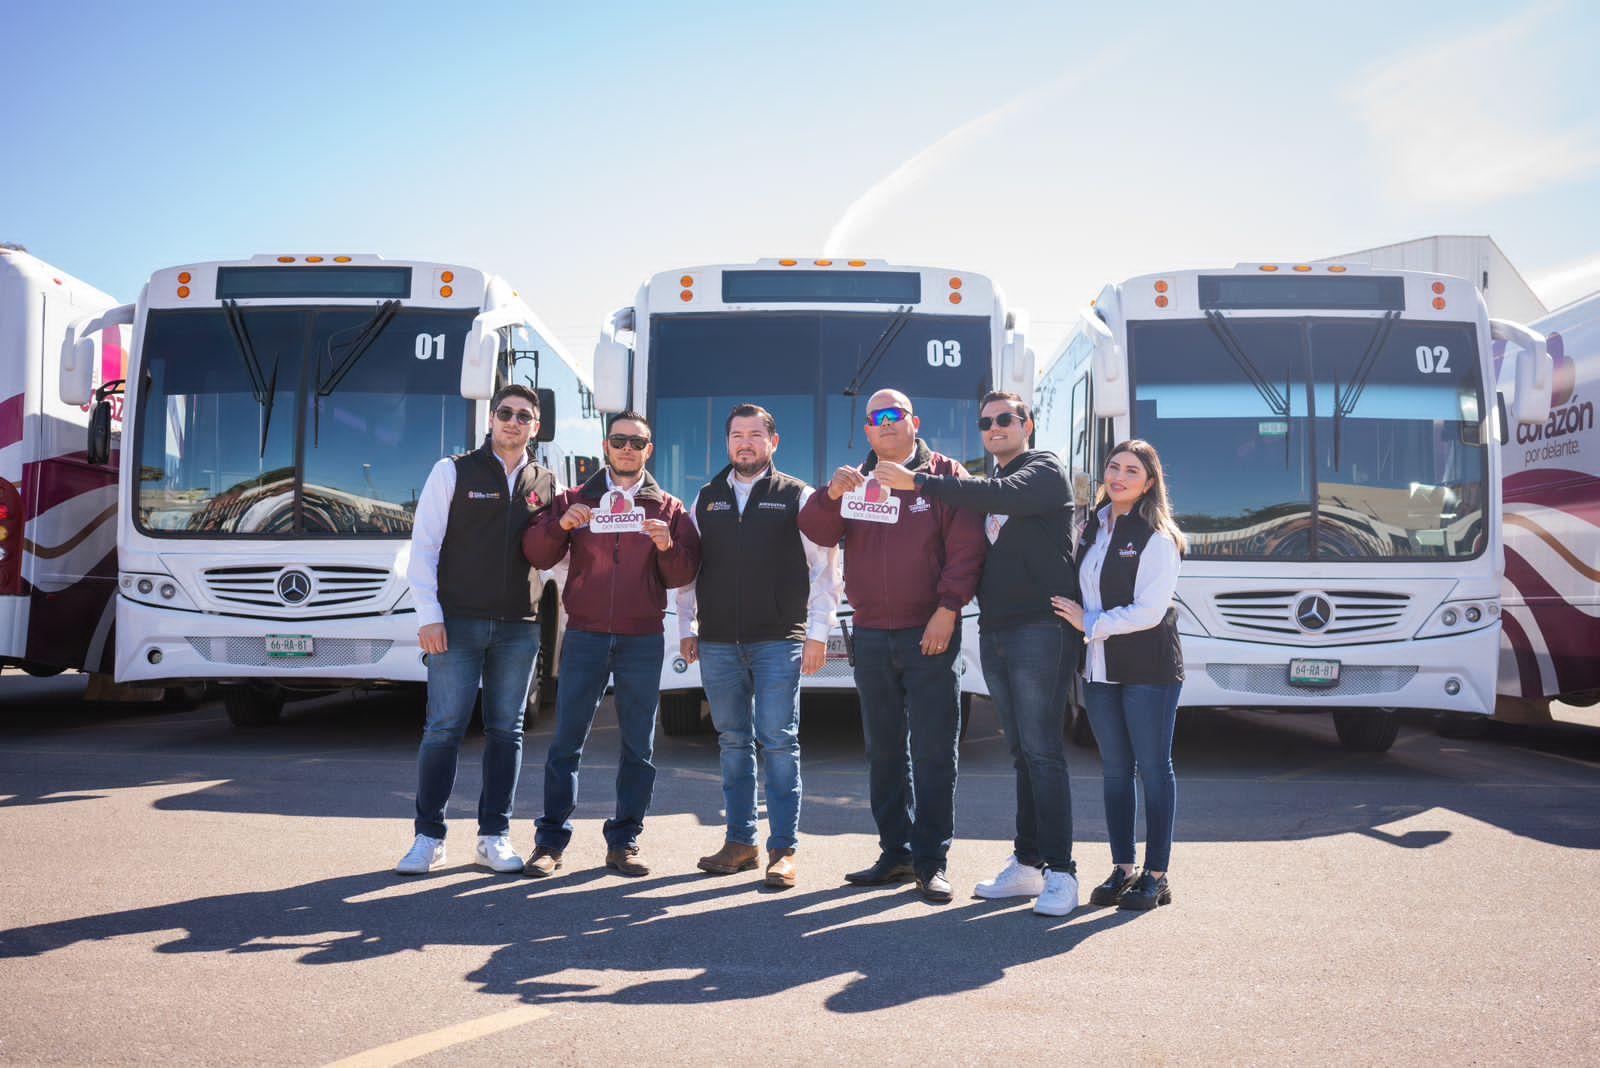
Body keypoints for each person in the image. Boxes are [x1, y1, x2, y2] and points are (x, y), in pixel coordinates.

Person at [875, 390, 1082, 916]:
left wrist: (919, 481)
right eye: (986, 421)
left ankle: (1063, 872)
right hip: (997, 630)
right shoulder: (984, 484)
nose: (995, 427)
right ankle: (1029, 865)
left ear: (1027, 424)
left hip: (1042, 629)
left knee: (1044, 753)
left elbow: (1000, 494)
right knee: (1022, 754)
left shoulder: (1045, 469)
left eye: (1006, 419)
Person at [798, 388, 985, 903]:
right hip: (873, 634)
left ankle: (932, 860)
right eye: (874, 418)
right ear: (867, 431)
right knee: (883, 751)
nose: (884, 424)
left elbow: (967, 551)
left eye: (893, 415)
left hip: (930, 632)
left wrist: (948, 610)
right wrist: (830, 495)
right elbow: (815, 528)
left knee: (932, 751)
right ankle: (895, 853)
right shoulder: (855, 481)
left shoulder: (946, 477)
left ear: (914, 422)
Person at [521, 411, 700, 878]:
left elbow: (684, 575)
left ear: (648, 451)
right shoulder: (573, 498)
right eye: (619, 440)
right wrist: (560, 525)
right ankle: (549, 842)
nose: (627, 448)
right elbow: (537, 554)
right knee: (566, 743)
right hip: (584, 635)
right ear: (605, 446)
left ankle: (624, 841)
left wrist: (666, 547)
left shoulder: (669, 508)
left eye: (636, 442)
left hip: (642, 638)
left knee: (638, 747)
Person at [396, 385, 561, 876]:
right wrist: (428, 615)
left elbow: (555, 558)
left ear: (536, 426)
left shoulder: (546, 482)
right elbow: (423, 546)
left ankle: (494, 837)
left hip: (519, 626)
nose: (514, 422)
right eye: (505, 413)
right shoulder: (452, 471)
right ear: (491, 419)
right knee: (443, 729)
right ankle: (428, 837)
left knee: (506, 732)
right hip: (457, 623)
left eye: (524, 416)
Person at [677, 404, 841, 889]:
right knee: (731, 742)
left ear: (773, 442)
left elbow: (826, 569)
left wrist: (818, 635)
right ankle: (740, 842)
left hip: (778, 641)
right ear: (727, 443)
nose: (744, 443)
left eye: (754, 435)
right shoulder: (705, 499)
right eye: (736, 435)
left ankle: (783, 850)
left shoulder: (798, 496)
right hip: (719, 641)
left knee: (778, 741)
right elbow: (686, 573)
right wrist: (686, 626)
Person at [1052, 439, 1185, 911]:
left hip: (1148, 668)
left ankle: (1156, 875)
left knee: (1153, 769)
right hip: (1100, 670)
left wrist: (1089, 623)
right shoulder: (1091, 526)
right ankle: (1123, 869)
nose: (1119, 476)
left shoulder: (1158, 536)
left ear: (1149, 482)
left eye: (1132, 470)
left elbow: (1150, 611)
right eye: (1113, 467)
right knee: (1114, 772)